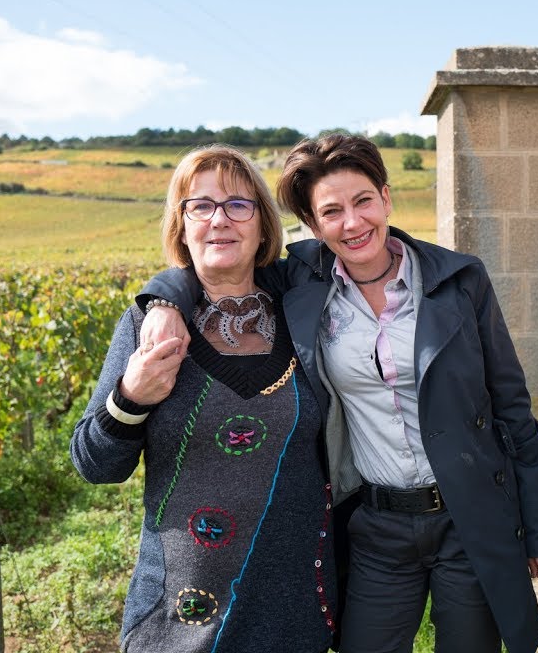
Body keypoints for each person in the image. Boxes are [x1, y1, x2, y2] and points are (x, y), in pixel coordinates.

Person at [135, 134, 538, 653]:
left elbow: (513, 407)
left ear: (386, 197)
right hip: (377, 525)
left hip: (468, 516)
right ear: (313, 225)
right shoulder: (301, 283)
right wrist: (163, 300)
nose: (353, 222)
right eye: (331, 212)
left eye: (363, 201)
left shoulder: (459, 280)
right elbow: (217, 264)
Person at [70, 144, 341, 653]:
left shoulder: (302, 311)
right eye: (201, 205)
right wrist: (131, 396)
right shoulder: (146, 325)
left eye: (238, 204)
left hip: (292, 615)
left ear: (263, 226)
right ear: (181, 226)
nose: (220, 219)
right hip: (175, 624)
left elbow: (357, 246)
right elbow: (94, 464)